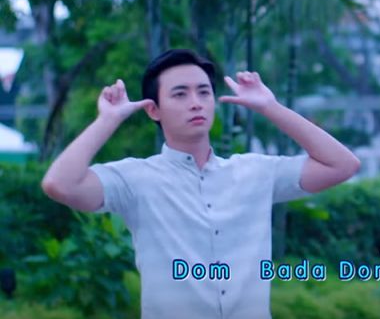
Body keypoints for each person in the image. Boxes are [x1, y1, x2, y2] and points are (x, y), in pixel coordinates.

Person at [41, 49, 361, 319]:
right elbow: (59, 184)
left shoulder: (255, 171)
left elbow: (342, 165)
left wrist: (270, 107)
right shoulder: (135, 179)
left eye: (204, 92)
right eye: (180, 94)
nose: (196, 102)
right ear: (153, 109)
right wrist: (107, 120)